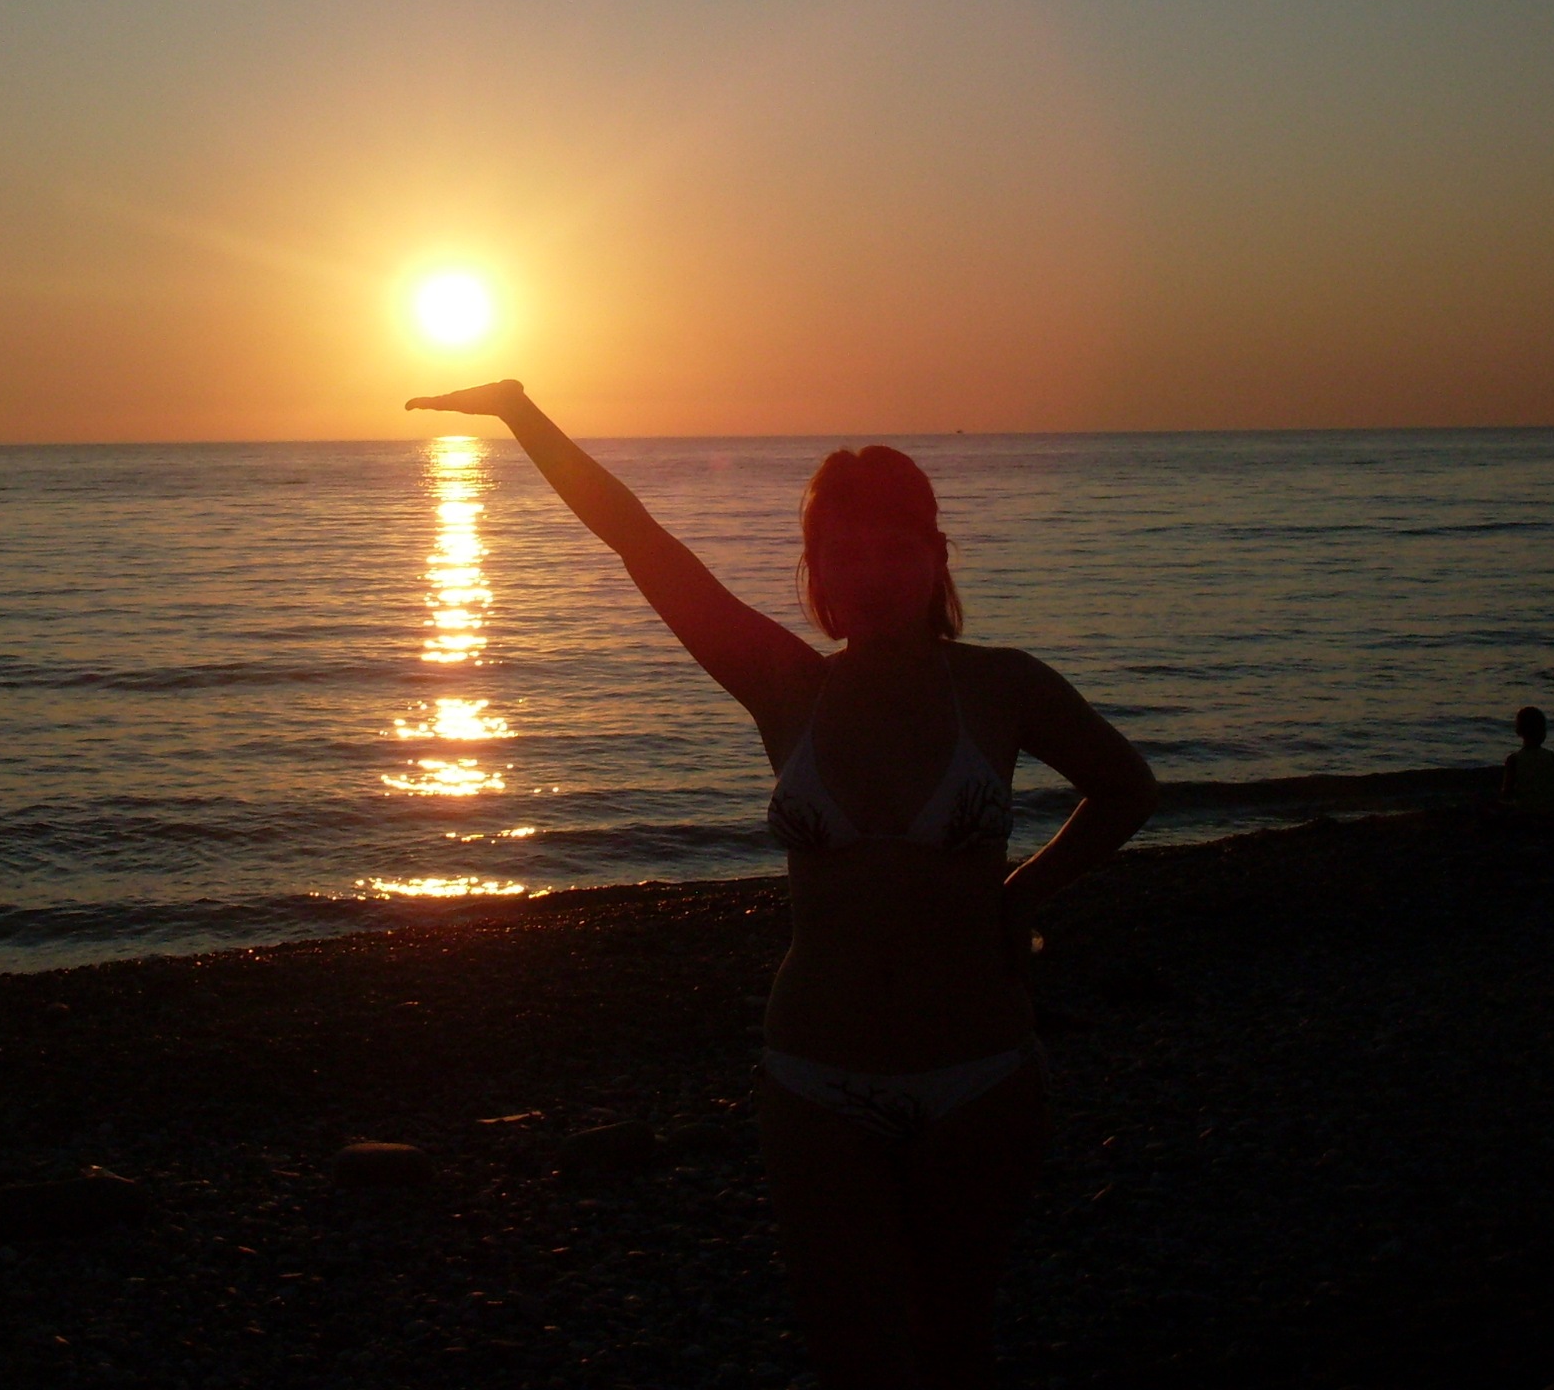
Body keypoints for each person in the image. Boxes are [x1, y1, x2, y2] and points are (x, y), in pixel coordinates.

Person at [405, 381, 1155, 1389]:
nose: (873, 575)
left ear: (936, 557)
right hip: (814, 1078)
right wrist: (520, 414)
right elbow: (639, 541)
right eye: (846, 553)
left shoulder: (1002, 686)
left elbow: (1125, 788)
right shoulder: (784, 686)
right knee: (850, 1354)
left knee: (956, 1342)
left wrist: (1021, 896)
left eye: (896, 550)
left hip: (979, 1070)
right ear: (816, 570)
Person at [1498, 707, 1554, 821]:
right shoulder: (1551, 756)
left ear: (1518, 731)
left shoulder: (1514, 759)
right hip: (1550, 813)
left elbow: (1507, 792)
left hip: (1524, 814)